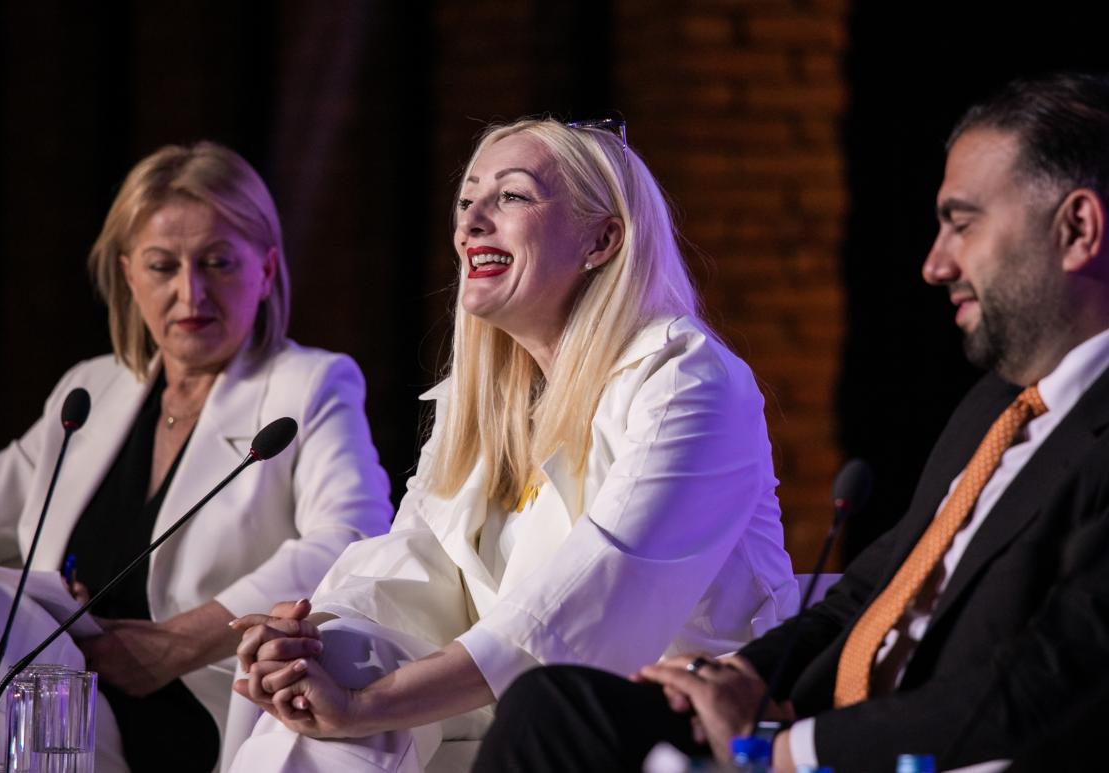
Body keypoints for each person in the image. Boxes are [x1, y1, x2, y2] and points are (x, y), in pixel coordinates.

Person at [473, 72, 1109, 773]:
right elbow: (866, 595)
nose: (934, 264)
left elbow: (1047, 683)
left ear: (1077, 229)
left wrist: (782, 751)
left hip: (916, 753)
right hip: (814, 725)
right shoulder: (998, 405)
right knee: (554, 709)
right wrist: (737, 678)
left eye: (962, 224)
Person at [222, 117, 798, 772]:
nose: (471, 224)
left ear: (602, 240)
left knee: (356, 702)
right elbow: (412, 563)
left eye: (512, 196)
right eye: (467, 200)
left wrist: (368, 705)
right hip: (510, 705)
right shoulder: (480, 401)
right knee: (334, 663)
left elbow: (595, 595)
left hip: (660, 720)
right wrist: (309, 640)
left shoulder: (687, 380)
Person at [0, 141, 393, 772]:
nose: (191, 293)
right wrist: (39, 600)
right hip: (47, 703)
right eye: (163, 266)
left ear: (266, 270)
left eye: (218, 263)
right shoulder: (93, 389)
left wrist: (179, 643)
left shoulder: (308, 385)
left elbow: (354, 537)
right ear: (129, 276)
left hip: (197, 710)